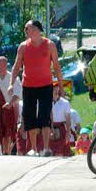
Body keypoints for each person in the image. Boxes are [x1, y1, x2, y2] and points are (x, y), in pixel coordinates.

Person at [10, 20, 64, 157]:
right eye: (27, 29)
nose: (29, 31)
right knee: (30, 117)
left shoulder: (50, 45)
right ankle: (33, 148)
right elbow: (17, 66)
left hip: (46, 85)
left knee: (45, 116)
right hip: (28, 86)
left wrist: (61, 85)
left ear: (39, 30)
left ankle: (46, 148)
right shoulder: (23, 47)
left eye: (32, 28)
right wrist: (11, 83)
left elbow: (56, 66)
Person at [48, 87, 73, 157]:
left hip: (62, 129)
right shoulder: (48, 102)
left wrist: (68, 132)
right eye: (53, 89)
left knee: (62, 154)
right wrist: (51, 129)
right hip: (51, 129)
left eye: (56, 89)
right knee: (52, 154)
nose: (55, 91)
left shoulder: (65, 103)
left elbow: (68, 119)